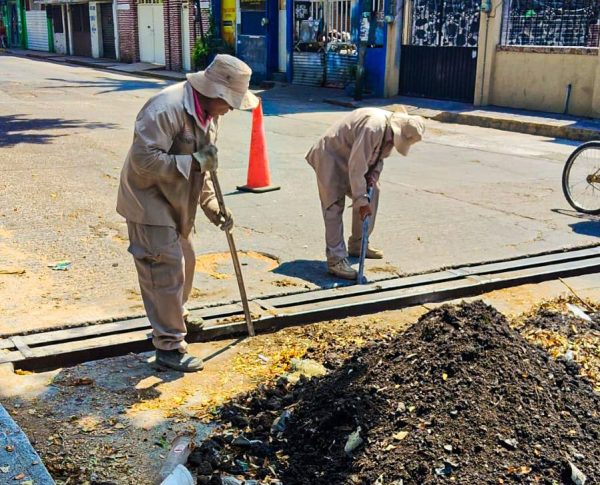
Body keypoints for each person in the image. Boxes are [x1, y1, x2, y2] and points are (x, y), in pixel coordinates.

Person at [117, 55, 258, 372]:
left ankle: (175, 315)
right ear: (213, 92)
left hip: (176, 198)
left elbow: (203, 169)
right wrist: (192, 163)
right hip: (147, 197)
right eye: (229, 102)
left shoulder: (210, 114)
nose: (231, 109)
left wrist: (213, 206)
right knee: (164, 268)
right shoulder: (165, 108)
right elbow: (143, 160)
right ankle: (168, 345)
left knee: (187, 259)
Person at [306, 107, 425, 280]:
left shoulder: (388, 132)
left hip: (350, 159)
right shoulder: (373, 128)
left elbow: (378, 160)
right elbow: (357, 167)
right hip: (330, 156)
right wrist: (361, 201)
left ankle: (358, 243)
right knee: (333, 204)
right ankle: (336, 260)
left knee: (373, 191)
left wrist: (372, 177)